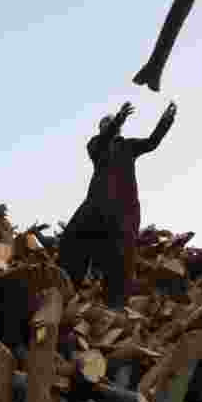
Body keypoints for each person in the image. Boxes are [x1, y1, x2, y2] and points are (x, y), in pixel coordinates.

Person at [58, 100, 177, 309]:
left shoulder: (128, 146)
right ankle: (67, 290)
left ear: (120, 128)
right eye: (105, 123)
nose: (108, 125)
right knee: (72, 240)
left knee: (121, 257)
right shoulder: (95, 145)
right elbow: (103, 141)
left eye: (111, 123)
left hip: (124, 208)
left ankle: (115, 305)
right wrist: (119, 118)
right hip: (96, 204)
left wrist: (166, 120)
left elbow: (152, 142)